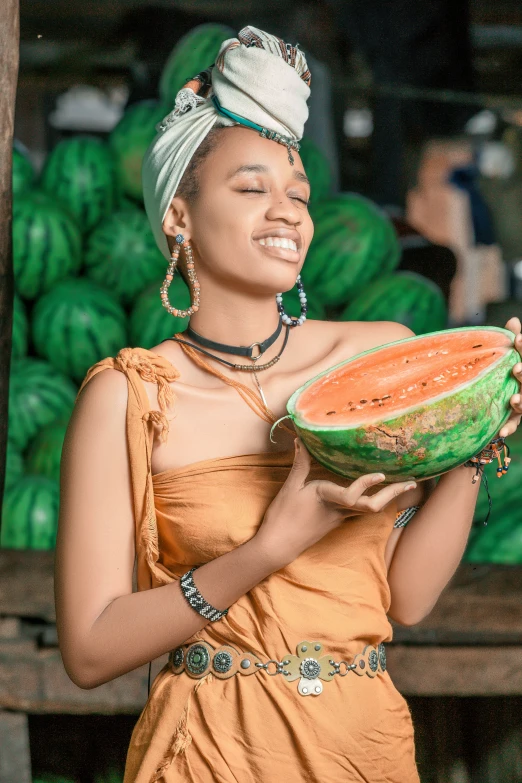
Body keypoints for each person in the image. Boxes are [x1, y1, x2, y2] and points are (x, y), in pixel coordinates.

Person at [55, 26, 522, 783]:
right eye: (251, 189)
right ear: (177, 213)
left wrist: (476, 436)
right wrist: (269, 547)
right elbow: (89, 647)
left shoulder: (380, 352)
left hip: (361, 747)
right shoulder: (128, 396)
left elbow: (407, 597)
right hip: (206, 751)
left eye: (298, 195)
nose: (287, 213)